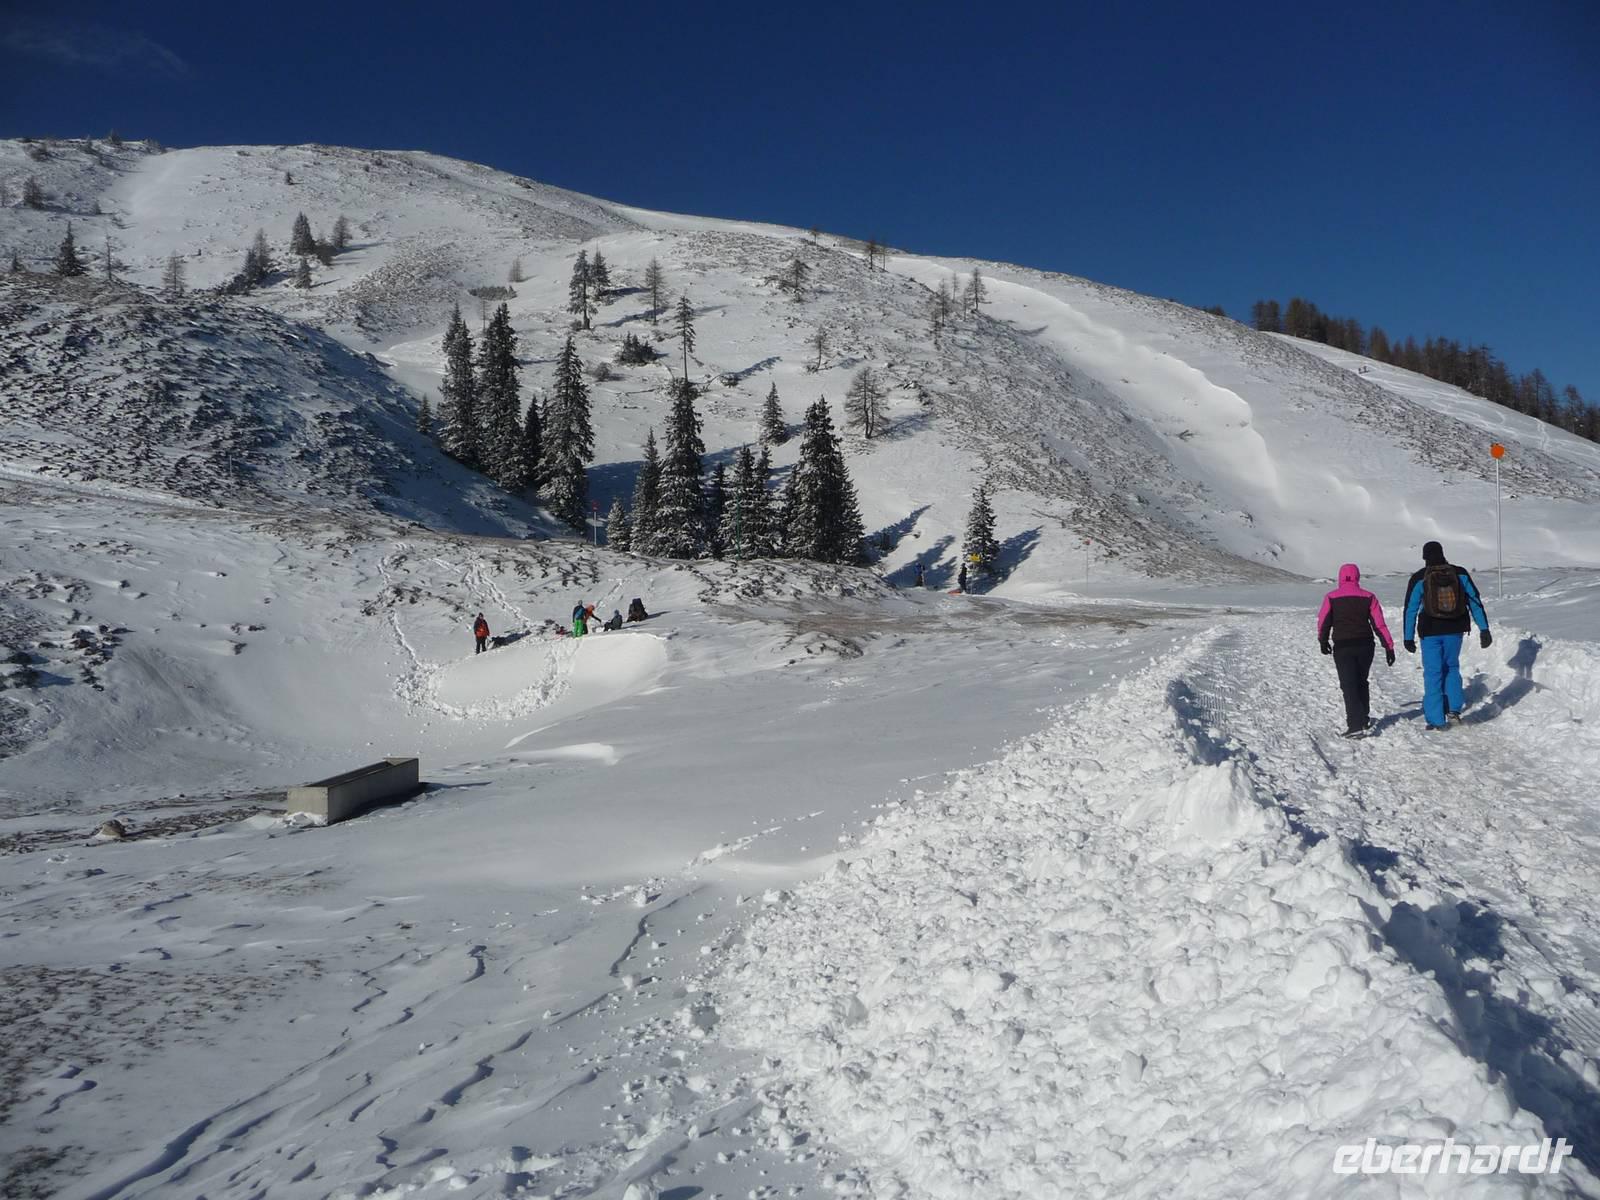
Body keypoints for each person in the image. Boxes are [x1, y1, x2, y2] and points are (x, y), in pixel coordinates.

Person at [1401, 540, 1492, 731]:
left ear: (1425, 557)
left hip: (1430, 631)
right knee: (1451, 667)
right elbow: (1474, 601)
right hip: (1455, 629)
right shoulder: (1459, 573)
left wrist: (1408, 637)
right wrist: (1484, 628)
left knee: (1433, 672)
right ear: (1443, 553)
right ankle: (1454, 710)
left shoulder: (1420, 577)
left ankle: (1436, 719)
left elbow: (1411, 609)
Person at [1316, 563, 1395, 738]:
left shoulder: (1331, 597)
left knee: (1349, 685)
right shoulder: (1369, 597)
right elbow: (1379, 624)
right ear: (1357, 576)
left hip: (1343, 646)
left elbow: (1323, 622)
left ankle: (1355, 725)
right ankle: (1364, 718)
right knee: (1361, 681)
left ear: (1340, 576)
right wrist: (1389, 647)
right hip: (1366, 645)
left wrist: (1323, 641)